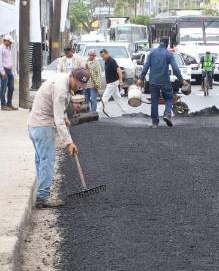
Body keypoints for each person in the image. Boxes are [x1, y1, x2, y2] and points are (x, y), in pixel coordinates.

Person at [27, 68, 89, 208]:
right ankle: (42, 198)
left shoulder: (62, 78)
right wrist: (69, 143)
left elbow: (58, 108)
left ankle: (41, 193)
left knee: (41, 160)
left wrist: (65, 116)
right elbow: (58, 119)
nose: (78, 87)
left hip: (34, 125)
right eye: (77, 83)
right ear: (72, 76)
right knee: (47, 161)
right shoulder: (61, 89)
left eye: (81, 86)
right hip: (43, 126)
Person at [136, 38, 187, 128]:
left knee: (154, 100)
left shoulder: (151, 52)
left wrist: (141, 78)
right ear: (167, 44)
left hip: (153, 81)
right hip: (164, 81)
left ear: (160, 43)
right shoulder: (169, 54)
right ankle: (167, 114)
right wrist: (181, 80)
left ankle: (155, 123)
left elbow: (146, 67)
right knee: (169, 98)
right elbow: (175, 69)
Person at [100, 48, 126, 113]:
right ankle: (125, 110)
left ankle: (98, 110)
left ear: (107, 54)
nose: (102, 57)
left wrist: (121, 80)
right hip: (111, 83)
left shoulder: (112, 61)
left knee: (105, 97)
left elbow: (119, 70)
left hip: (112, 83)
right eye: (101, 56)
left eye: (103, 56)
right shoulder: (106, 61)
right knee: (117, 98)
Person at [1, 34, 16, 111]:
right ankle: (3, 105)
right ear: (6, 41)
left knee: (11, 87)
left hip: (9, 70)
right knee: (3, 88)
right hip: (4, 70)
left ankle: (9, 104)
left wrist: (13, 71)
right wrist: (2, 72)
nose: (11, 43)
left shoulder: (8, 48)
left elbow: (10, 60)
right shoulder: (1, 48)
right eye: (10, 42)